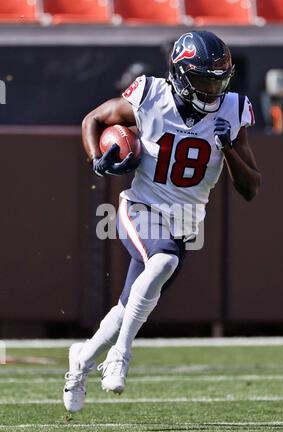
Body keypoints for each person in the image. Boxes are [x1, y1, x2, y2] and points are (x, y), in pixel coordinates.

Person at [63, 30, 261, 412]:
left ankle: (81, 361)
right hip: (139, 207)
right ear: (181, 76)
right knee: (164, 260)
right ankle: (120, 357)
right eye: (204, 80)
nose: (212, 90)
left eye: (218, 81)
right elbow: (94, 119)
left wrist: (228, 149)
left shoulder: (233, 111)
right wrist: (96, 159)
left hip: (183, 222)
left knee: (127, 307)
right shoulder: (150, 95)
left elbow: (251, 188)